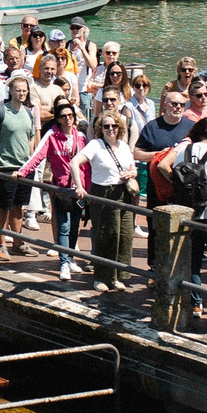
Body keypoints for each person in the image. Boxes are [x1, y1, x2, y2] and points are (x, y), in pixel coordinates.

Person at [18, 98, 90, 277]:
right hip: (61, 188)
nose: (68, 119)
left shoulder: (81, 137)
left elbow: (87, 166)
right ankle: (64, 263)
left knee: (74, 226)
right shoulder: (51, 135)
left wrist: (88, 187)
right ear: (58, 118)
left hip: (79, 189)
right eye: (63, 116)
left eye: (70, 115)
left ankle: (71, 258)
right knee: (63, 226)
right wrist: (23, 171)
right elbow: (37, 156)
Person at [74, 108, 140, 286]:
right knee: (105, 235)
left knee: (124, 235)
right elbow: (75, 162)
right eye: (106, 126)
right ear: (100, 129)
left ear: (119, 128)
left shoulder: (124, 146)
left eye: (114, 126)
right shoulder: (96, 145)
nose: (110, 129)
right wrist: (79, 186)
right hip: (103, 193)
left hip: (123, 193)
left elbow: (133, 167)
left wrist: (131, 173)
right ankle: (101, 277)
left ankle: (116, 276)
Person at [0, 73, 40, 263]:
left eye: (24, 91)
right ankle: (1, 244)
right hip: (6, 166)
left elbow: (31, 136)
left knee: (19, 207)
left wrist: (30, 157)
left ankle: (17, 242)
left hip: (24, 168)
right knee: (3, 206)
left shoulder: (29, 112)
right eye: (18, 90)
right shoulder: (0, 112)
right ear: (11, 91)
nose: (22, 94)